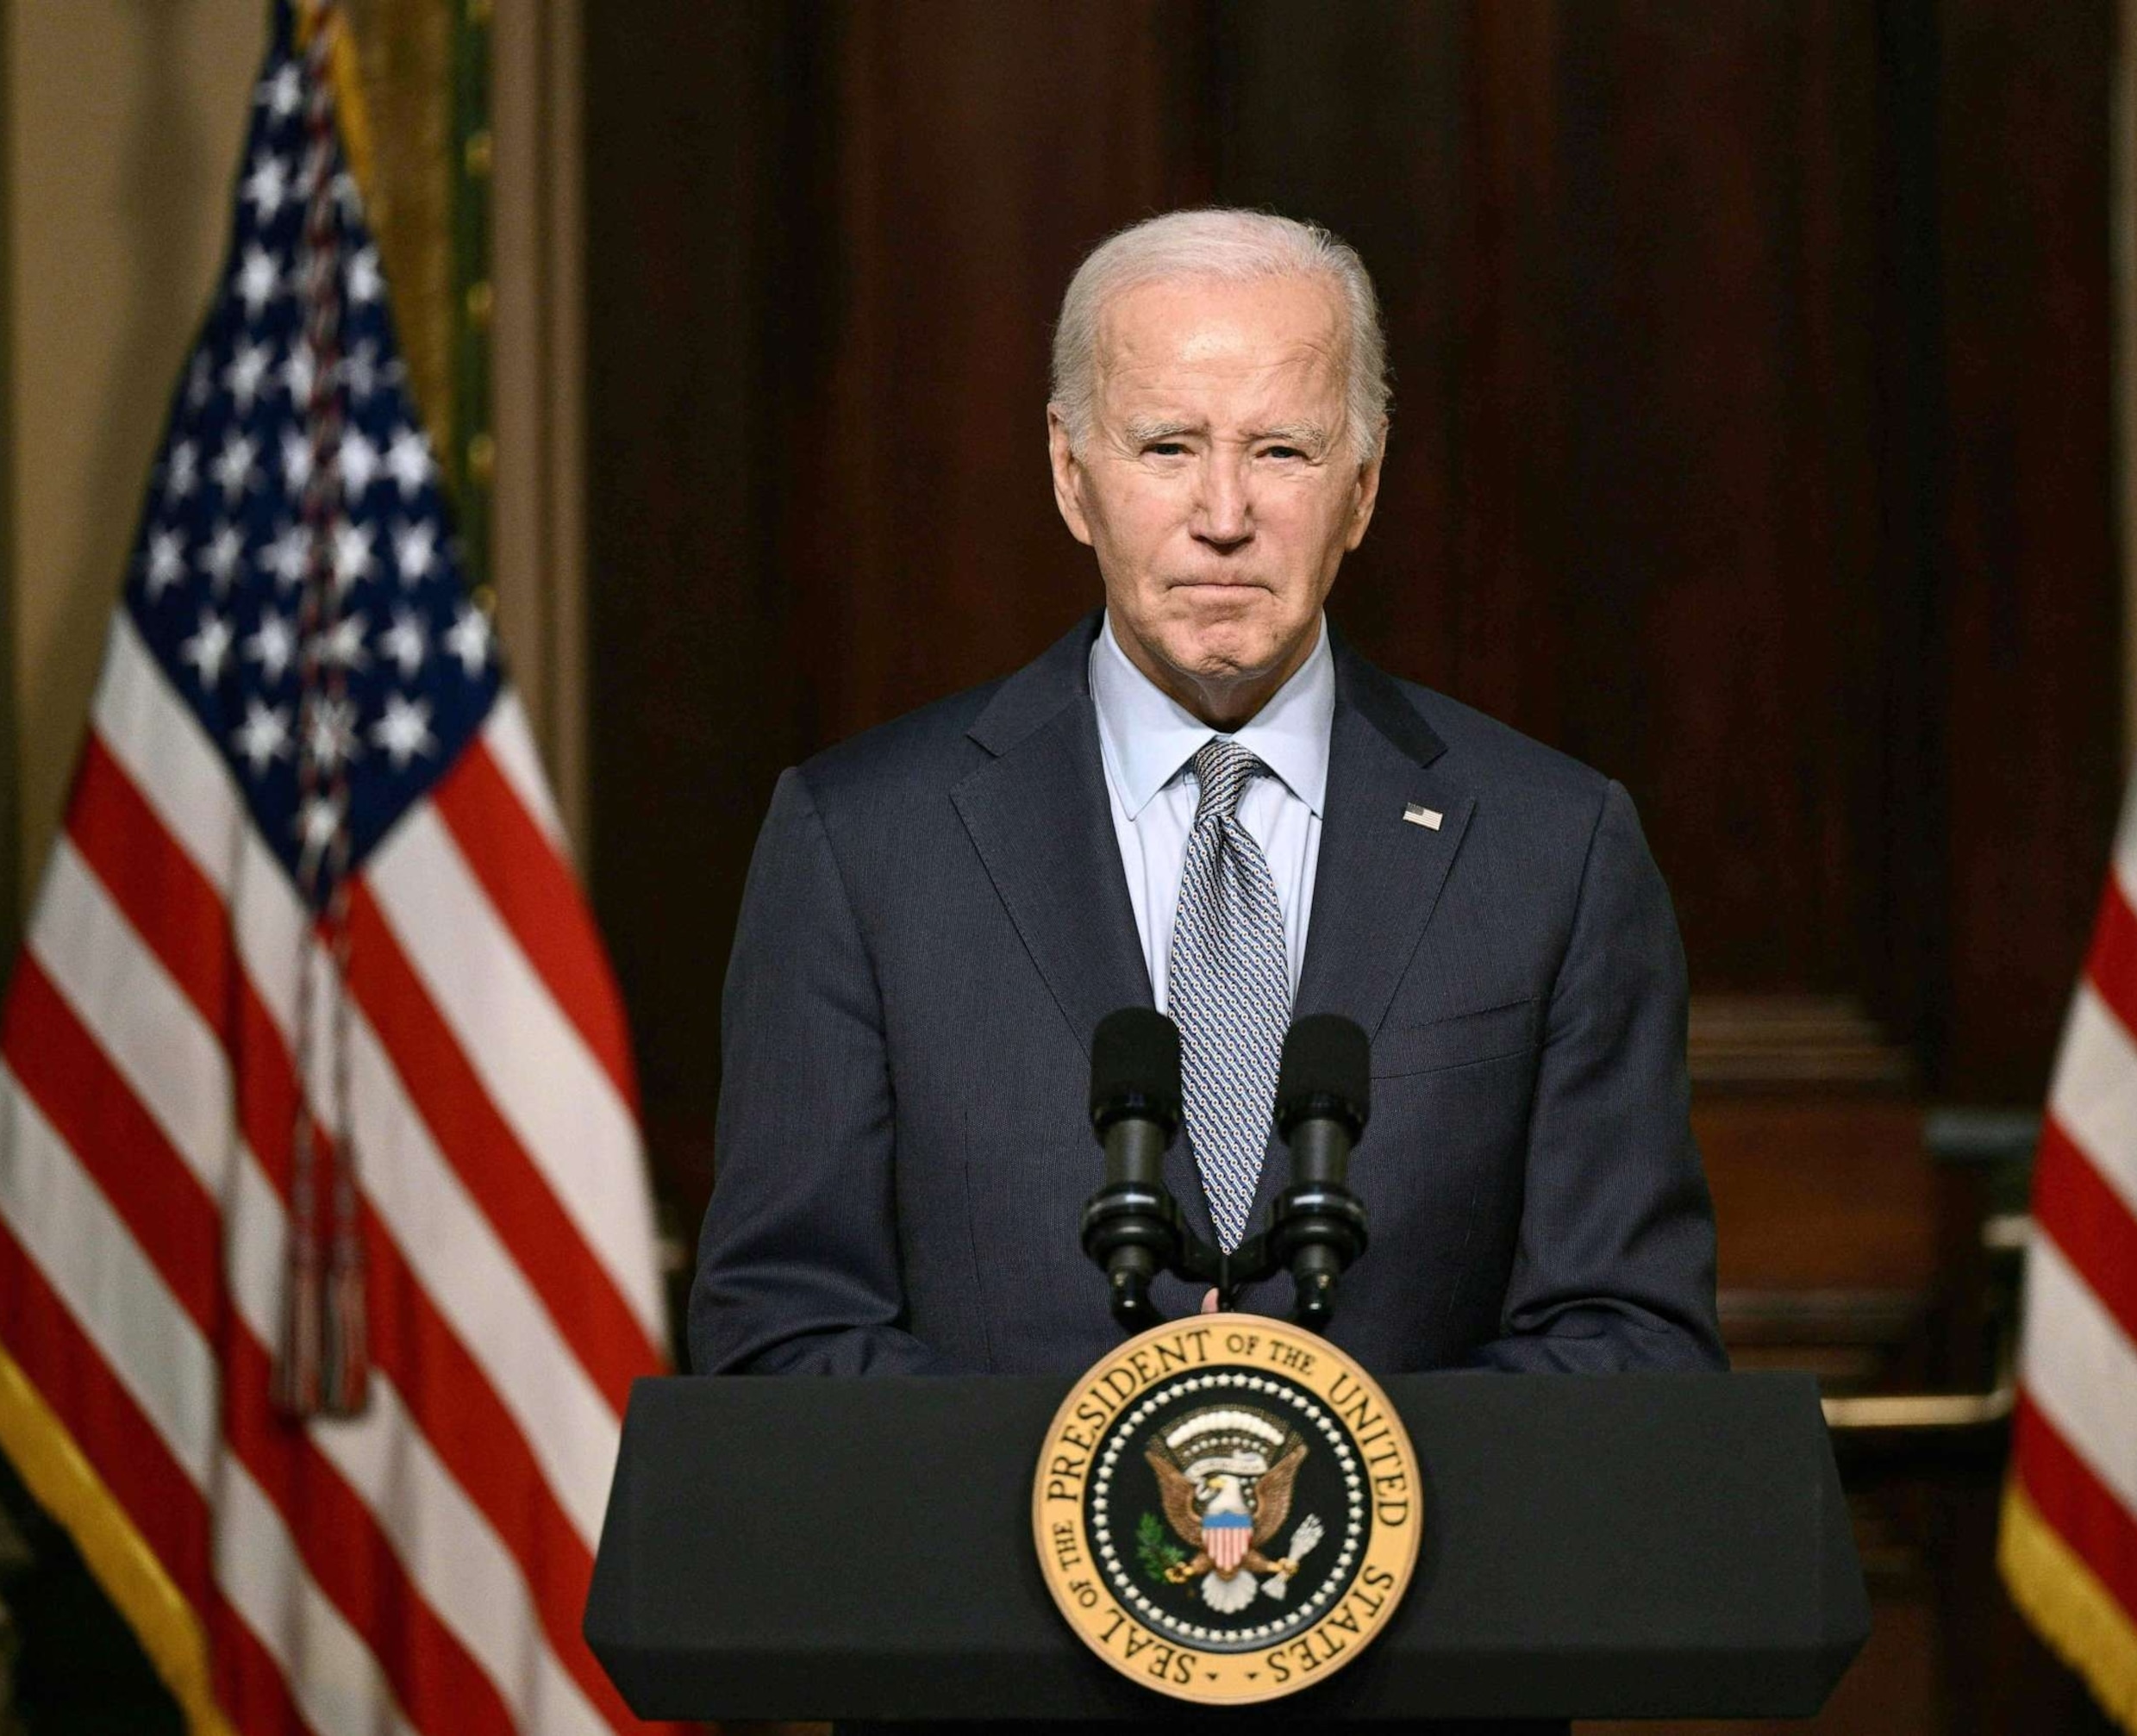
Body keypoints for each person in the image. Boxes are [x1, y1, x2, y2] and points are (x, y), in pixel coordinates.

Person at [689, 209, 1722, 1378]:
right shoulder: (862, 844)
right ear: (1072, 477)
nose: (1224, 515)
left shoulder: (1554, 849)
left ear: (1365, 487)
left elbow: (1634, 1343)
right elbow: (781, 1330)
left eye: (1281, 450)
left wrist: (1330, 1482)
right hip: (988, 1560)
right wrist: (1105, 1489)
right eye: (1167, 446)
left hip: (1428, 1559)